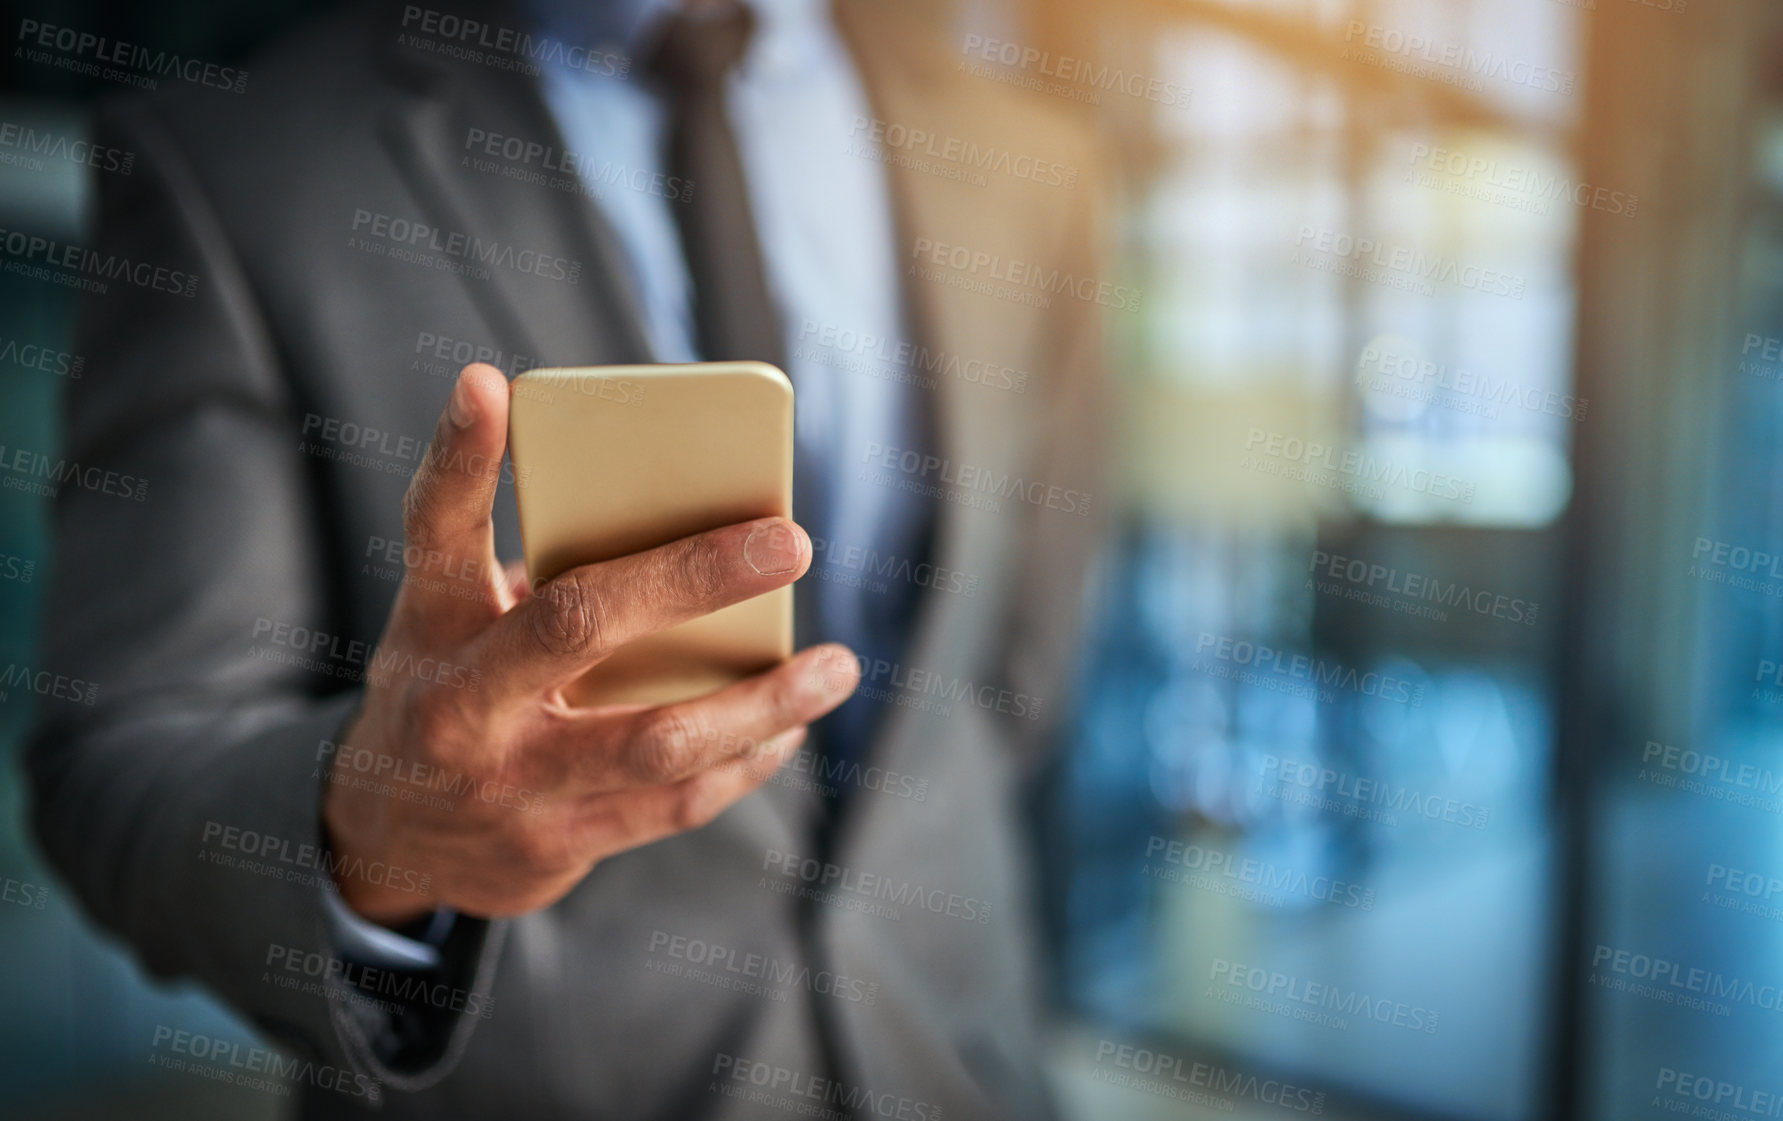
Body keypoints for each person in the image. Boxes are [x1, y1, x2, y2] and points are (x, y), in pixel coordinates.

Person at [26, 0, 1106, 1116]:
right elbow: (120, 758)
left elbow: (1010, 679)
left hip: (957, 1066)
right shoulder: (243, 164)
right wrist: (380, 834)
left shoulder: (1025, 153)